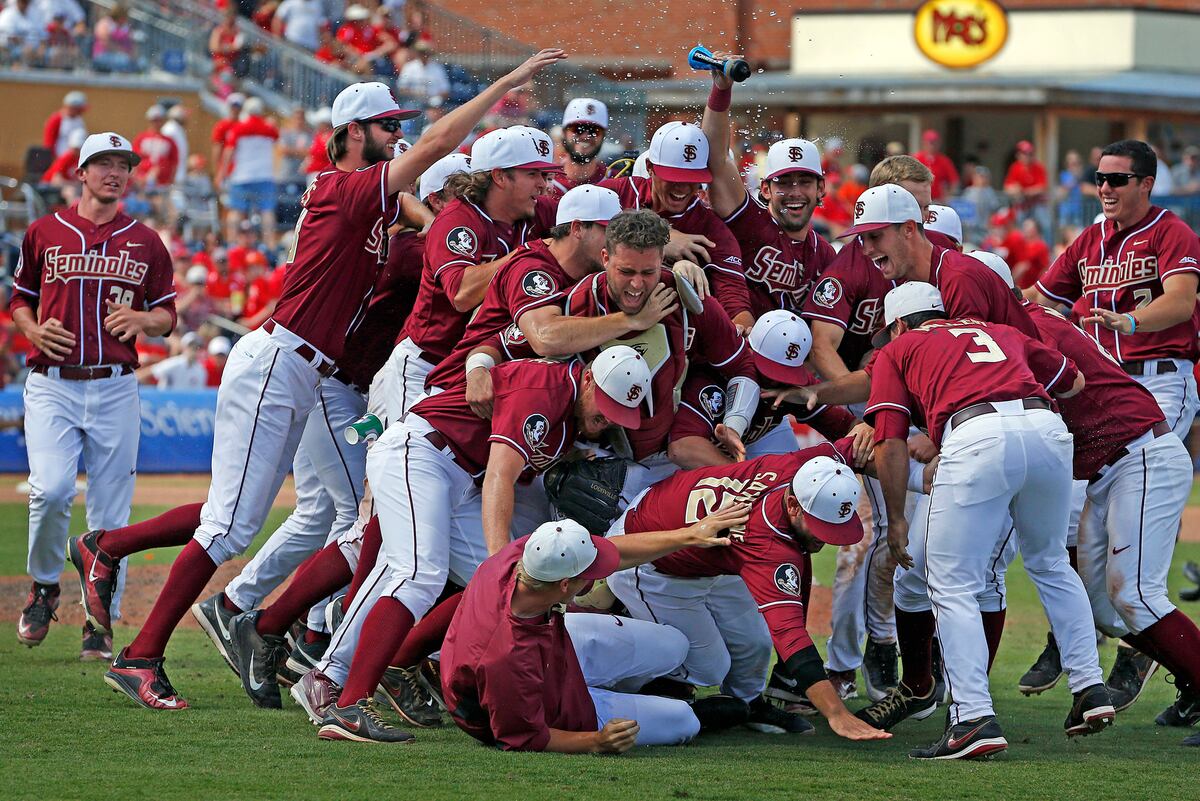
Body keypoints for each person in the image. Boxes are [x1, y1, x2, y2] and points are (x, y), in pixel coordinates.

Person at [72, 50, 567, 711]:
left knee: (259, 516)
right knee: (234, 525)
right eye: (388, 126)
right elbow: (442, 147)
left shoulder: (368, 204)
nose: (400, 137)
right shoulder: (343, 186)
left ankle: (127, 564)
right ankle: (144, 652)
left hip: (307, 371)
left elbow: (425, 209)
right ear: (355, 132)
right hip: (283, 362)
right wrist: (504, 82)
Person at [299, 347, 651, 741]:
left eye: (615, 415)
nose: (605, 421)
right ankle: (349, 705)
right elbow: (500, 475)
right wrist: (504, 558)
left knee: (483, 586)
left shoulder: (567, 409)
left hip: (455, 474)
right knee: (421, 575)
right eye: (603, 407)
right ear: (587, 378)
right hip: (422, 453)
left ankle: (333, 675)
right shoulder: (548, 391)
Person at [864, 281, 1110, 759]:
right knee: (1050, 562)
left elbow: (890, 441)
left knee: (950, 582)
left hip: (975, 432)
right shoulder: (998, 331)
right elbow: (1073, 380)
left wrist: (896, 518)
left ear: (898, 324)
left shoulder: (902, 347)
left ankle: (972, 718)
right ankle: (1089, 687)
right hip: (1046, 428)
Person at [13, 133, 175, 660]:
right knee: (52, 490)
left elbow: (167, 316)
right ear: (81, 172)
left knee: (111, 513)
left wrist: (144, 319)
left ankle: (99, 621)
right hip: (51, 383)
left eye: (122, 164)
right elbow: (21, 300)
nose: (114, 172)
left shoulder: (146, 240)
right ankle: (43, 587)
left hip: (116, 384)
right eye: (103, 163)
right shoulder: (44, 231)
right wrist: (32, 331)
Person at [606, 444, 891, 741]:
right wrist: (836, 713)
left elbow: (857, 444)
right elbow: (789, 634)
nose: (826, 539)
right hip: (650, 557)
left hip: (710, 546)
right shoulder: (768, 544)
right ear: (793, 505)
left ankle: (747, 704)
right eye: (820, 526)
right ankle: (622, 687)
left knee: (754, 643)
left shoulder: (801, 466)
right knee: (709, 668)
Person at [440, 514, 748, 752]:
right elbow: (526, 737)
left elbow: (616, 552)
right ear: (564, 586)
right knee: (683, 719)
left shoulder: (524, 555)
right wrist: (596, 742)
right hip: (534, 702)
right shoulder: (504, 657)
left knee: (676, 644)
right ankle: (672, 710)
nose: (599, 574)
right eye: (589, 574)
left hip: (548, 650)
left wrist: (688, 535)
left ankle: (629, 695)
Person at [390, 125, 559, 413]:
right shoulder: (458, 219)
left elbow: (589, 228)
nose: (543, 184)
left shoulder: (536, 209)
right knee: (405, 452)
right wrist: (529, 253)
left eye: (544, 175)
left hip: (476, 363)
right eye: (532, 174)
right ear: (500, 176)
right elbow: (462, 294)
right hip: (426, 362)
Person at [701, 63, 836, 318]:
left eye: (805, 182)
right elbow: (716, 161)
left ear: (821, 189)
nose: (795, 192)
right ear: (765, 189)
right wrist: (721, 89)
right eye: (784, 182)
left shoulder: (824, 253)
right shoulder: (749, 221)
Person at [599, 122, 753, 329]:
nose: (681, 187)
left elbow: (734, 297)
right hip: (603, 318)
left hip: (672, 336)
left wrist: (742, 327)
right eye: (673, 177)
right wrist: (662, 240)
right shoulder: (616, 193)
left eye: (692, 178)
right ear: (650, 168)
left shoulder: (712, 229)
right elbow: (570, 233)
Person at [219, 97, 280, 248]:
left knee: (236, 211)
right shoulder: (269, 128)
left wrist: (222, 174)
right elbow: (277, 141)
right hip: (264, 176)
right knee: (267, 211)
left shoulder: (238, 128)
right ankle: (270, 244)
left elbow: (229, 151)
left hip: (242, 176)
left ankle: (232, 243)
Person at [548, 98, 609, 197]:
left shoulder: (617, 181)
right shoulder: (544, 182)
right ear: (564, 133)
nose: (585, 136)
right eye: (578, 129)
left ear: (603, 136)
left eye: (594, 131)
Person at [395, 40, 450, 106]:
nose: (424, 55)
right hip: (413, 102)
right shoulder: (409, 67)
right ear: (417, 53)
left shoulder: (437, 68)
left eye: (426, 53)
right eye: (421, 53)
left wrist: (437, 98)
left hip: (432, 103)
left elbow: (446, 91)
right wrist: (415, 93)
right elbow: (401, 88)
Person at [915, 129, 960, 201]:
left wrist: (949, 196)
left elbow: (954, 181)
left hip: (938, 200)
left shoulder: (944, 160)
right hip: (919, 199)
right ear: (924, 143)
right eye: (929, 142)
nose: (931, 145)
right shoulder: (916, 158)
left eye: (934, 142)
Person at [42, 90, 87, 157]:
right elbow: (48, 143)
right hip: (59, 159)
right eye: (79, 109)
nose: (81, 112)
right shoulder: (56, 119)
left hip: (74, 159)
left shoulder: (79, 119)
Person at [161, 105, 189, 185]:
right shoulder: (170, 129)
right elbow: (166, 153)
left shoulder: (177, 128)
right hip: (172, 175)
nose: (186, 118)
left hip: (178, 173)